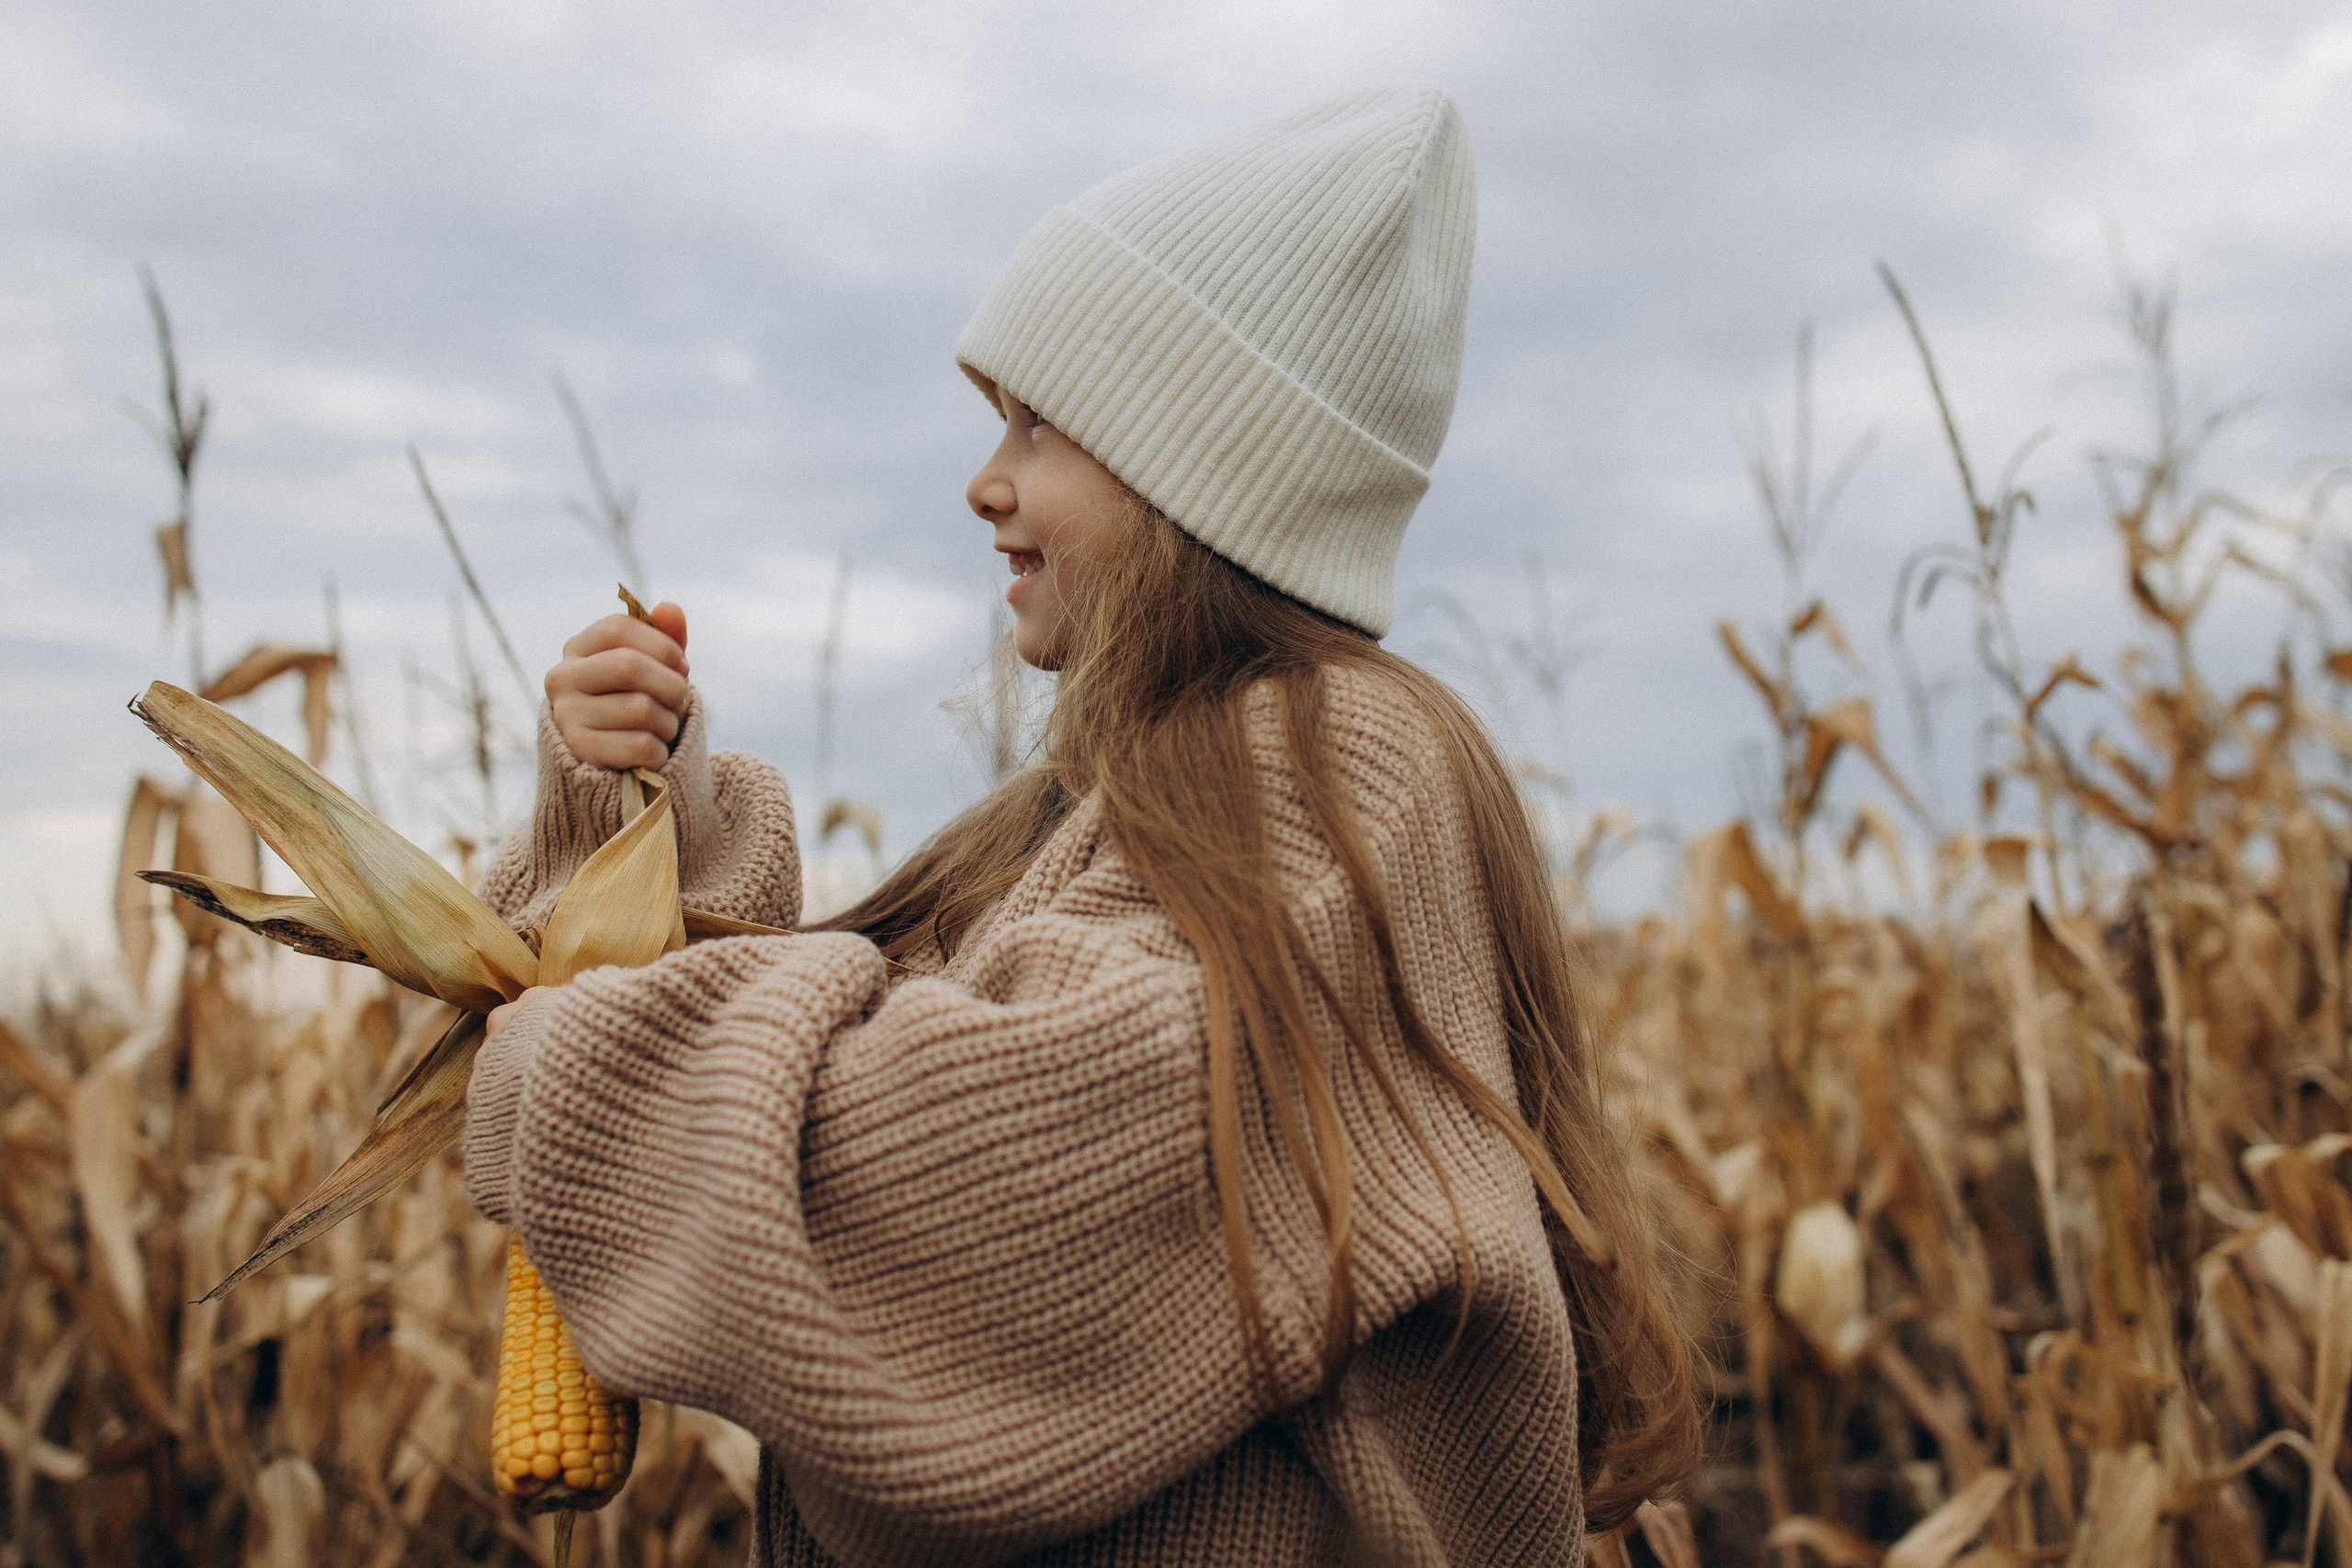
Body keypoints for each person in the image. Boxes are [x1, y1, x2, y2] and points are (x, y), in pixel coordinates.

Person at [467, 84, 1700, 1567]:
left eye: (1040, 425)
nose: (986, 484)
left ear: (1201, 472)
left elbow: (950, 1199)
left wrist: (568, 1061)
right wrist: (661, 817)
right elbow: (916, 1010)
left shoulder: (1335, 767)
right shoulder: (1158, 789)